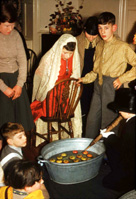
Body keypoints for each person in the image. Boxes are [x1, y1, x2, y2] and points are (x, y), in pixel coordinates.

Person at [78, 12, 136, 139]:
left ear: (114, 28)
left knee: (108, 122)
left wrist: (122, 78)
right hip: (98, 86)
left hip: (112, 86)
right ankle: (90, 149)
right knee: (92, 120)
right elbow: (95, 71)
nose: (102, 32)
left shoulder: (122, 47)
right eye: (100, 28)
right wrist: (83, 79)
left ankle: (108, 152)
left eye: (106, 28)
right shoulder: (99, 46)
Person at [31, 34, 82, 145]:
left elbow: (75, 74)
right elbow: (39, 74)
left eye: (70, 53)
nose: (67, 56)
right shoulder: (50, 58)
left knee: (64, 113)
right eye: (65, 52)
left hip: (65, 96)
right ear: (59, 48)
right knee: (43, 108)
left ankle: (63, 136)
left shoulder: (74, 58)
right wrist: (48, 82)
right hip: (51, 94)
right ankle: (51, 133)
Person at [0, 1, 34, 134]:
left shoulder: (16, 35)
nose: (10, 29)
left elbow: (22, 60)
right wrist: (4, 88)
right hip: (1, 82)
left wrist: (20, 84)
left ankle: (16, 152)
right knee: (3, 123)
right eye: (7, 25)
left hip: (15, 81)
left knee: (19, 124)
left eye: (13, 25)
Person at [100, 88, 135, 192]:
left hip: (131, 167)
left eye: (121, 109)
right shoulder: (131, 121)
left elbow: (122, 148)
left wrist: (109, 136)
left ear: (129, 112)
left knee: (106, 182)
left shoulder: (130, 126)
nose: (119, 111)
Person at [76, 16, 100, 135]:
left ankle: (90, 130)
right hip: (81, 74)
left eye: (94, 35)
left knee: (93, 105)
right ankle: (80, 130)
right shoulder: (77, 40)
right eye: (89, 34)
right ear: (84, 29)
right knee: (82, 104)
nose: (91, 38)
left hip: (94, 75)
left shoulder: (101, 42)